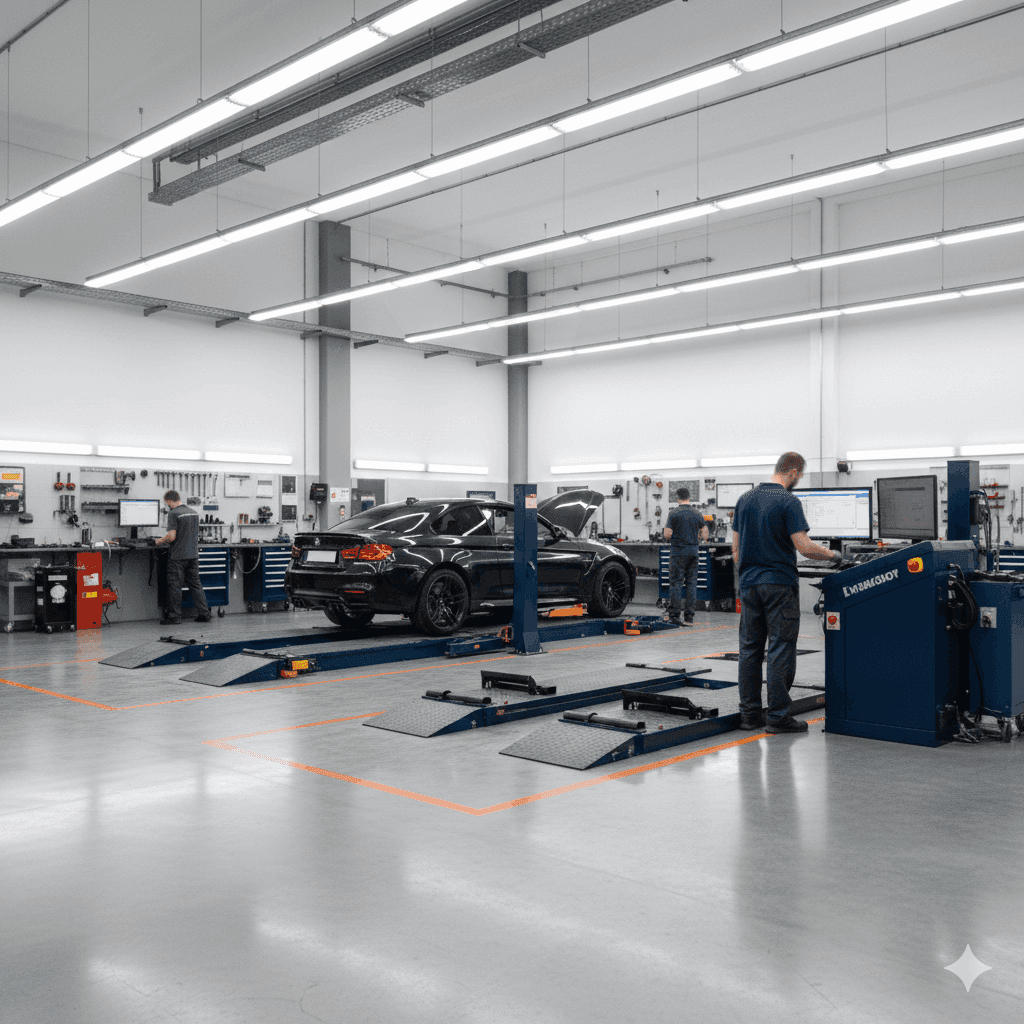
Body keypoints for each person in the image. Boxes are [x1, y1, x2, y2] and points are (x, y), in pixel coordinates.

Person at [731, 453, 840, 733]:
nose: (798, 481)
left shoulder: (744, 500)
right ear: (792, 472)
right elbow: (803, 546)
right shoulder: (789, 502)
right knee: (780, 647)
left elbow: (735, 549)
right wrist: (832, 554)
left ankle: (749, 716)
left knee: (750, 649)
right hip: (779, 584)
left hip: (749, 584)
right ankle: (778, 717)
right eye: (799, 476)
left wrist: (750, 570)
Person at [155, 490, 210, 625]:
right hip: (193, 555)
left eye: (166, 503)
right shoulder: (194, 513)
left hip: (178, 556)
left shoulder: (174, 513)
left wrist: (159, 541)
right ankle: (204, 613)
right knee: (196, 585)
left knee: (175, 586)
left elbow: (172, 536)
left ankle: (174, 617)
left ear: (169, 501)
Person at [663, 487, 709, 625]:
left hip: (678, 552)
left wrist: (672, 536)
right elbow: (705, 532)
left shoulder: (673, 513)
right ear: (689, 497)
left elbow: (667, 534)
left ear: (678, 498)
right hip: (693, 552)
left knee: (676, 583)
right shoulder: (697, 512)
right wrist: (699, 537)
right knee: (691, 584)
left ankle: (675, 616)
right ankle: (689, 617)